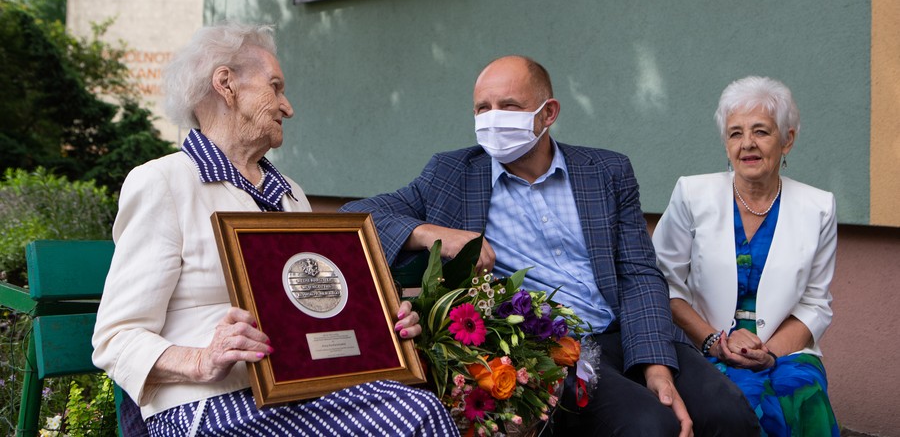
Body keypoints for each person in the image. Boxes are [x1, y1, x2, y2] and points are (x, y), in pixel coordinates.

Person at [341, 55, 759, 437]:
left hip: (624, 326)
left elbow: (638, 274)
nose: (492, 118)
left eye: (508, 106)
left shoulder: (606, 171)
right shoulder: (451, 173)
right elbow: (352, 215)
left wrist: (655, 365)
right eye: (482, 109)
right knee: (651, 427)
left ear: (548, 113)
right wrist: (433, 234)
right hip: (553, 346)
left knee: (729, 414)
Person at [91, 22, 456, 437]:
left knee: (413, 404)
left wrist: (379, 326)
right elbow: (115, 339)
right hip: (206, 404)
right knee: (409, 415)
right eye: (276, 87)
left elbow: (314, 306)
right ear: (226, 85)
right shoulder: (165, 181)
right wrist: (203, 359)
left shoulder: (290, 195)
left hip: (298, 393)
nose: (288, 107)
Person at [652, 76, 839, 436]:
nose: (747, 144)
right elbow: (663, 282)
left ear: (788, 139)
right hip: (702, 345)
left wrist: (768, 353)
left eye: (761, 132)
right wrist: (714, 341)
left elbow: (815, 303)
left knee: (802, 393)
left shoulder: (819, 207)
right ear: (725, 144)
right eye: (735, 133)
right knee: (739, 400)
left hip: (783, 350)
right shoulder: (692, 194)